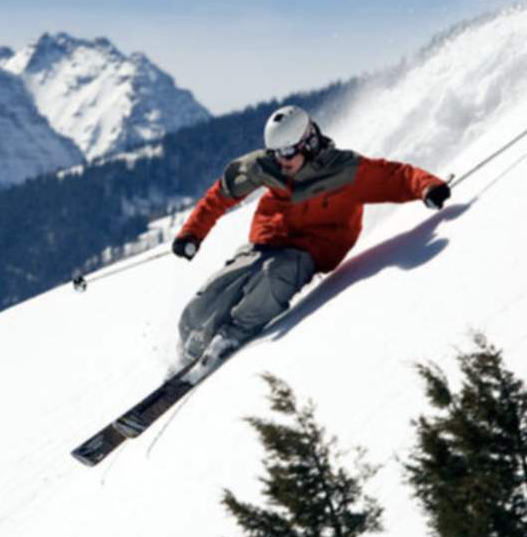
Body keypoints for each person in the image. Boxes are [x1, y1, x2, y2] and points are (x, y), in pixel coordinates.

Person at [172, 105, 451, 363]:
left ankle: (230, 337)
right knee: (211, 295)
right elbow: (222, 193)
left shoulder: (345, 170)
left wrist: (429, 187)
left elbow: (396, 177)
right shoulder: (267, 165)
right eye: (276, 153)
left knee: (271, 278)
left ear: (309, 142)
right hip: (267, 241)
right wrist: (192, 234)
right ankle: (187, 354)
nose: (282, 161)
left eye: (288, 152)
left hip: (311, 250)